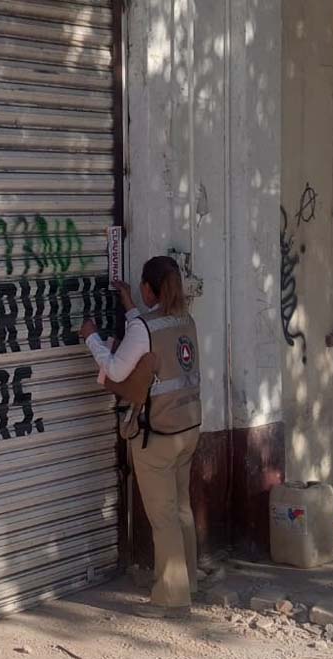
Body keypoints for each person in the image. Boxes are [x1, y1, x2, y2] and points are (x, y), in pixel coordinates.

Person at [81, 256, 202, 618]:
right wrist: (132, 309)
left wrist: (92, 340)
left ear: (149, 288)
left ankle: (172, 598)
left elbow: (117, 367)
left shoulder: (145, 328)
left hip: (157, 436)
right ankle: (189, 581)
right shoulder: (186, 320)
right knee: (181, 510)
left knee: (162, 517)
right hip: (188, 429)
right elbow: (151, 337)